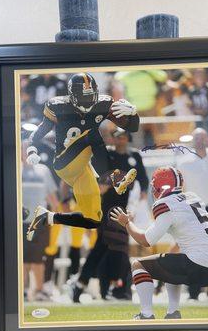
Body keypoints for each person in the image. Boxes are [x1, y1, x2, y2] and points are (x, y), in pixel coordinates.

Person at [25, 72, 140, 241]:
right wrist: (31, 149)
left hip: (83, 168)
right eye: (83, 97)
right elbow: (40, 131)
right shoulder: (58, 106)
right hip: (65, 161)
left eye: (90, 96)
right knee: (92, 132)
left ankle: (47, 217)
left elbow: (133, 128)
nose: (88, 101)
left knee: (93, 220)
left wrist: (132, 114)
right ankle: (113, 177)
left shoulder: (103, 103)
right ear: (72, 96)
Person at [110, 166, 208, 320]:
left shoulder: (165, 204)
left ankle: (146, 314)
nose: (153, 190)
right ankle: (173, 312)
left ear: (161, 186)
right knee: (170, 263)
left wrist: (127, 223)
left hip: (198, 265)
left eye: (155, 186)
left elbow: (146, 240)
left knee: (137, 264)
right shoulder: (193, 198)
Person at [72, 129, 149, 302]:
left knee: (112, 249)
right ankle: (102, 287)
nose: (120, 140)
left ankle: (100, 287)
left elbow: (143, 182)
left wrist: (136, 205)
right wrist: (104, 185)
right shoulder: (106, 155)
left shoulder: (134, 156)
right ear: (112, 139)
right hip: (106, 209)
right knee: (106, 247)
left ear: (127, 138)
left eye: (123, 136)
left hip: (123, 211)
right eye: (117, 137)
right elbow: (98, 180)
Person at [21, 141, 59, 301]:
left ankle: (39, 291)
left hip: (40, 221)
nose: (27, 152)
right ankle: (21, 291)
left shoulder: (43, 170)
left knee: (38, 258)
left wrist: (56, 217)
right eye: (23, 149)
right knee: (21, 259)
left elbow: (52, 199)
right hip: (18, 224)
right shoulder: (14, 170)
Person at [178, 128, 208, 219]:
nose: (200, 141)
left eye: (202, 138)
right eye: (197, 138)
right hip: (195, 207)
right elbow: (181, 187)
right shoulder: (183, 163)